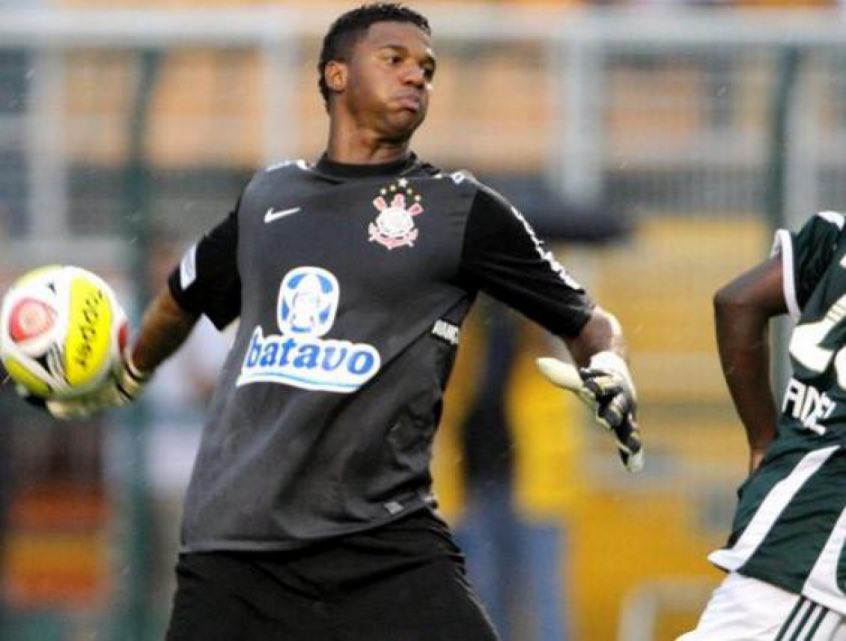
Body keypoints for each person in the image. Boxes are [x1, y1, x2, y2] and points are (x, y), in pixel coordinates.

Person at [28, 4, 640, 640]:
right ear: (337, 75)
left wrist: (610, 365)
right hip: (238, 544)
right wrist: (128, 376)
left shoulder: (461, 211)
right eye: (395, 59)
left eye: (427, 68)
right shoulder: (269, 197)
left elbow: (588, 322)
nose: (416, 77)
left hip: (382, 543)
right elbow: (182, 295)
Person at [678, 210, 846, 640]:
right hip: (817, 551)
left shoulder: (835, 236)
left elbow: (738, 301)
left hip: (804, 538)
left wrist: (761, 438)